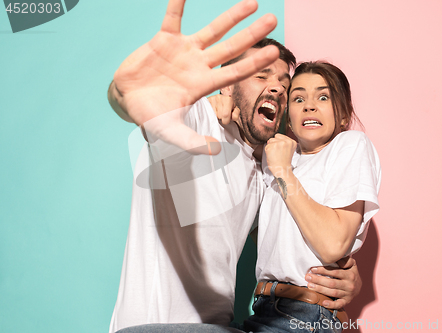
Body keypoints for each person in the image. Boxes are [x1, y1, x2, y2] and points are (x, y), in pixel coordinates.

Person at [107, 1, 362, 332]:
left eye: (286, 87)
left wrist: (343, 275)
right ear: (226, 84)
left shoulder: (264, 171)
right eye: (260, 75)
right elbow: (148, 106)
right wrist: (127, 92)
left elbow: (288, 243)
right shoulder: (197, 124)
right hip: (154, 326)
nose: (277, 89)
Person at [240, 61, 382, 332]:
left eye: (323, 96)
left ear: (343, 115)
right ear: (289, 116)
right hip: (262, 309)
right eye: (298, 98)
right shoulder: (275, 158)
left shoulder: (350, 145)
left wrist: (284, 172)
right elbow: (267, 236)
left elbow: (331, 245)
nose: (309, 105)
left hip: (306, 316)